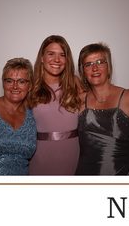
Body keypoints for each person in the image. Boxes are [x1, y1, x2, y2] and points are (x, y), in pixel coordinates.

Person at [75, 42, 129, 175]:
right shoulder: (78, 101)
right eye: (88, 64)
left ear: (109, 67)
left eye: (100, 62)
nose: (95, 68)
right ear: (82, 71)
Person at [27, 35, 83, 175]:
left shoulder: (75, 83)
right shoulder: (30, 85)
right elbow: (10, 105)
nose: (57, 60)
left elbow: (96, 100)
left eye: (62, 55)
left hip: (73, 155)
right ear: (42, 57)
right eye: (51, 54)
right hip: (40, 157)